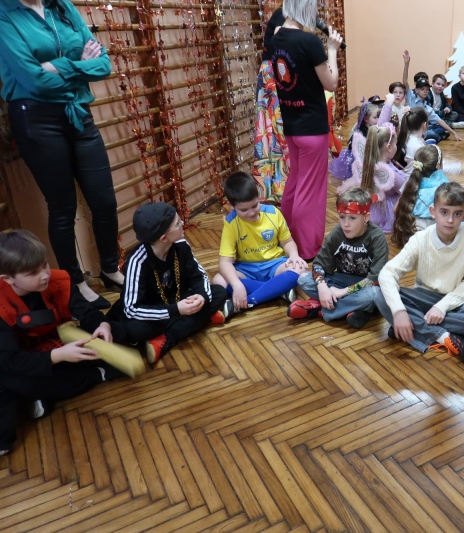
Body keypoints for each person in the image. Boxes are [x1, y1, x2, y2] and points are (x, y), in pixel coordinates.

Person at [0, 0, 124, 308]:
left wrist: (60, 66)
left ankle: (110, 268)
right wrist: (79, 64)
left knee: (104, 201)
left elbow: (104, 65)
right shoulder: (4, 13)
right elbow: (34, 80)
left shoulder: (63, 7)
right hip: (36, 118)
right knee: (63, 208)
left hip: (78, 112)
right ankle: (76, 283)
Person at [0, 229, 129, 456]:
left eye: (45, 265)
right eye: (33, 273)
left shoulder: (57, 280)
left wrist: (102, 325)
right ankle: (98, 374)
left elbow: (86, 312)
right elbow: (10, 360)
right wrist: (58, 356)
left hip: (58, 343)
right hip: (27, 358)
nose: (44, 275)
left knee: (118, 330)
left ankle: (47, 394)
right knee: (10, 380)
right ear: (8, 279)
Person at [375, 183, 464, 362]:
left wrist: (442, 306)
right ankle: (443, 337)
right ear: (433, 211)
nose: (450, 220)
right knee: (380, 295)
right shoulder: (420, 239)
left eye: (457, 214)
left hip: (456, 301)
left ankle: (412, 326)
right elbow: (387, 274)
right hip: (424, 298)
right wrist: (399, 311)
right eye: (444, 212)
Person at [107, 203, 230, 364]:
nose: (183, 224)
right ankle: (200, 319)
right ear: (163, 238)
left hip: (178, 298)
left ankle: (166, 338)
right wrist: (176, 310)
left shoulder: (181, 245)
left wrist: (201, 297)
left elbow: (199, 276)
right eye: (178, 224)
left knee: (219, 292)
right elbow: (131, 309)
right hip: (155, 309)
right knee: (133, 329)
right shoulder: (138, 262)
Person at [270, 0, 343, 260]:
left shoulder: (276, 35)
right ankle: (306, 249)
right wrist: (332, 50)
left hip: (292, 126)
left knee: (295, 183)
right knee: (310, 191)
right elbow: (331, 83)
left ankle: (288, 240)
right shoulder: (309, 42)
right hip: (312, 129)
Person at [289, 188, 388, 329]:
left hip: (366, 286)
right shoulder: (337, 232)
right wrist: (322, 287)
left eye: (352, 218)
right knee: (303, 279)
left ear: (366, 218)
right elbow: (318, 265)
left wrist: (342, 292)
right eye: (342, 217)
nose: (346, 224)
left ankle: (319, 309)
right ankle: (356, 309)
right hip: (340, 281)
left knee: (374, 295)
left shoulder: (376, 237)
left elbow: (375, 279)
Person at [211, 171, 307, 311]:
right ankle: (278, 290)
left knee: (300, 269)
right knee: (218, 281)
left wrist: (294, 255)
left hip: (275, 265)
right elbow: (224, 262)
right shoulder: (231, 223)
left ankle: (250, 301)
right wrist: (237, 284)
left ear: (258, 198)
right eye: (244, 210)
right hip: (247, 269)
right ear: (232, 206)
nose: (251, 213)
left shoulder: (273, 213)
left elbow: (288, 242)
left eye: (254, 206)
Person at [394, 145, 464, 246]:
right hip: (434, 238)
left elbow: (395, 209)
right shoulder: (442, 187)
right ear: (439, 166)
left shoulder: (410, 182)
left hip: (411, 236)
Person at [339, 124, 407, 233]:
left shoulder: (368, 163)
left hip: (370, 209)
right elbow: (405, 190)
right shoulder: (391, 175)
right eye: (395, 143)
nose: (396, 146)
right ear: (389, 147)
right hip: (386, 213)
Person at [253, 7, 289, 203]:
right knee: (275, 130)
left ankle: (277, 186)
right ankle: (280, 186)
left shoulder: (283, 14)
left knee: (271, 131)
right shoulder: (284, 15)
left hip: (270, 71)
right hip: (273, 74)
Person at [402, 51, 463, 143]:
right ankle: (437, 137)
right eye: (422, 89)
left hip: (420, 130)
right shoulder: (411, 96)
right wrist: (406, 64)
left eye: (427, 89)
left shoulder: (427, 107)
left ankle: (436, 136)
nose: (425, 91)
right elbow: (405, 81)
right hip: (408, 129)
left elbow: (439, 120)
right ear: (416, 90)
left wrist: (454, 133)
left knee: (438, 129)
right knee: (432, 134)